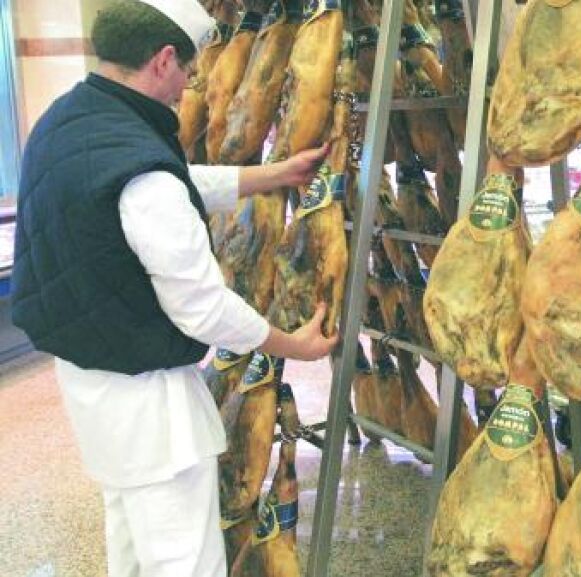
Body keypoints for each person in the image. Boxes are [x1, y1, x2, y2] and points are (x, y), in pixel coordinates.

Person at [10, 1, 338, 575]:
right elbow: (202, 308)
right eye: (187, 70)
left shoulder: (70, 119)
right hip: (150, 404)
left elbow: (170, 181)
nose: (190, 84)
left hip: (92, 381)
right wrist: (293, 345)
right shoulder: (142, 171)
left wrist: (276, 174)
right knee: (184, 559)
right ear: (163, 60)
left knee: (132, 546)